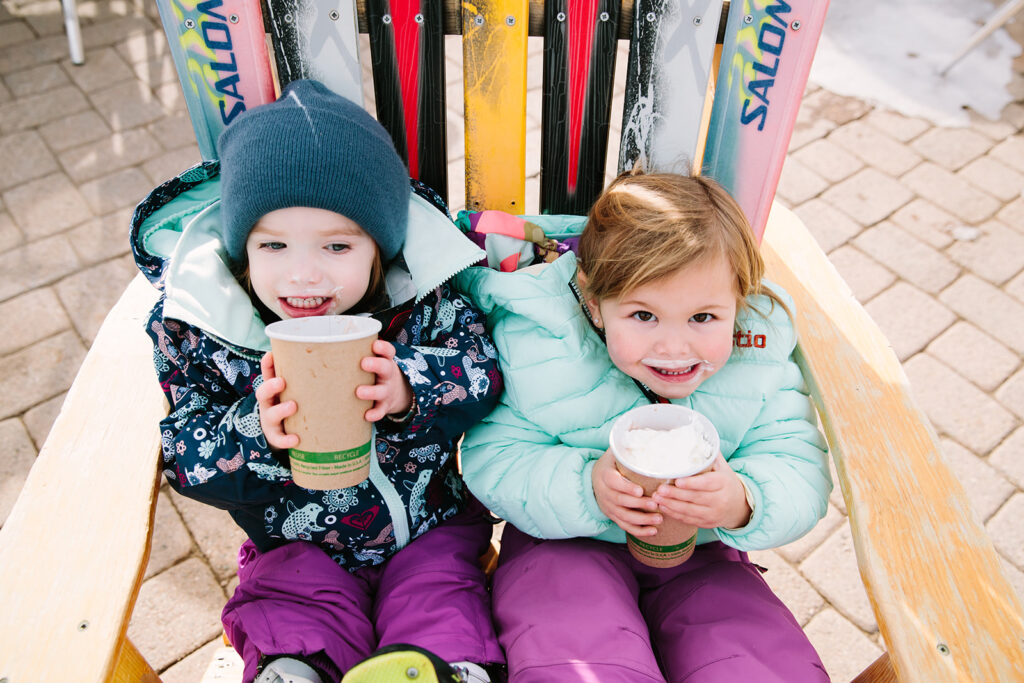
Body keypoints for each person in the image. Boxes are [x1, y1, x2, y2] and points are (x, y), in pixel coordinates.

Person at [131, 79, 504, 683]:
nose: (303, 274)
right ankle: (297, 670)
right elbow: (184, 456)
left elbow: (483, 369)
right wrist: (256, 432)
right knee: (287, 610)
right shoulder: (204, 334)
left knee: (441, 604)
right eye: (274, 244)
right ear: (243, 250)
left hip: (430, 531)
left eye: (336, 246)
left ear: (378, 248)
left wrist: (411, 386)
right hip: (294, 547)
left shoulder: (423, 304)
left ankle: (441, 669)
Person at [455, 171, 832, 682]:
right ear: (594, 303)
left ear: (739, 301)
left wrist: (743, 501)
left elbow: (797, 463)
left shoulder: (757, 357)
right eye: (643, 316)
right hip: (562, 546)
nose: (674, 347)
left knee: (755, 662)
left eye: (704, 318)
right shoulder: (539, 343)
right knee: (579, 660)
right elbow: (494, 459)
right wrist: (587, 486)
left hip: (703, 555)